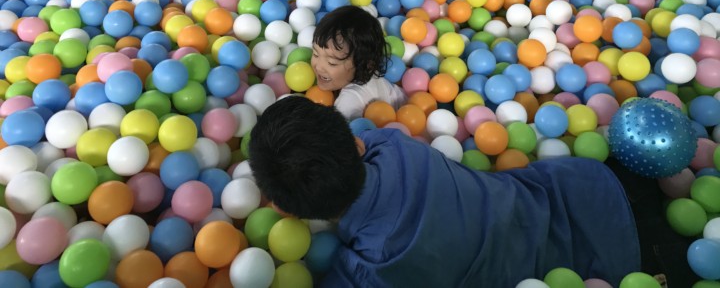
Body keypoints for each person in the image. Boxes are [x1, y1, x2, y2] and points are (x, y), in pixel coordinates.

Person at [249, 95, 644, 287]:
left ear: (286, 209)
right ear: (356, 144)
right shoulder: (394, 147)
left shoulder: (371, 267)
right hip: (585, 187)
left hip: (592, 269)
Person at [311, 5, 407, 120]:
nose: (319, 66)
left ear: (365, 65)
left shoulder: (348, 101)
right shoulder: (374, 77)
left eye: (332, 63)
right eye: (315, 54)